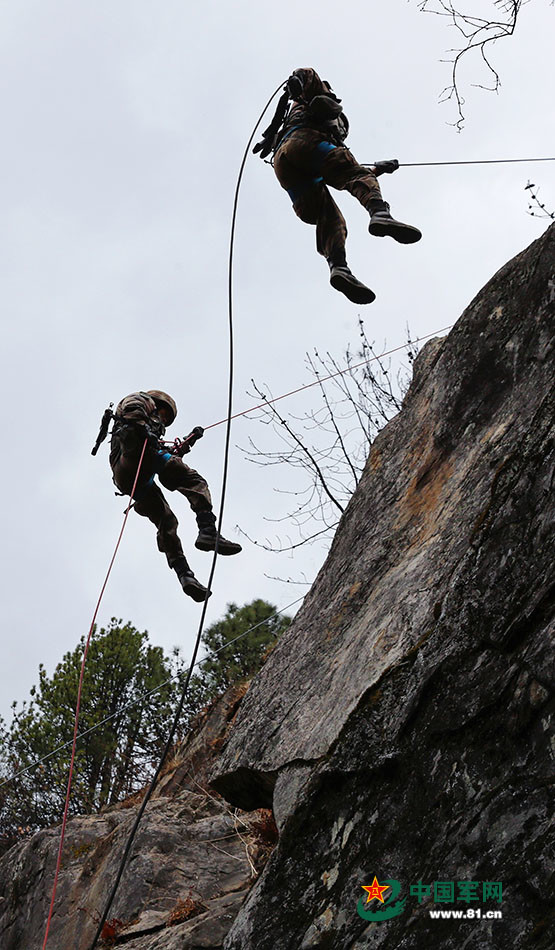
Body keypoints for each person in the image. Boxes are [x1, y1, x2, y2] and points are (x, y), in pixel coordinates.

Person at [254, 67, 422, 305]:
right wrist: (297, 83)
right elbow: (307, 73)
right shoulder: (316, 94)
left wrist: (377, 170)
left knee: (329, 215)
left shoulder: (293, 116)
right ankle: (380, 214)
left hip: (284, 163)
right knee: (354, 174)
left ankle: (339, 267)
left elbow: (342, 175)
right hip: (305, 142)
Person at [102, 390, 241, 603]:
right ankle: (208, 530)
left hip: (132, 477)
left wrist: (187, 444)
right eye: (165, 415)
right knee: (194, 481)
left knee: (166, 520)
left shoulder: (152, 432)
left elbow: (162, 454)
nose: (164, 421)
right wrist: (145, 427)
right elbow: (131, 412)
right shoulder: (142, 401)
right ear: (159, 404)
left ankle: (185, 575)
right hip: (133, 457)